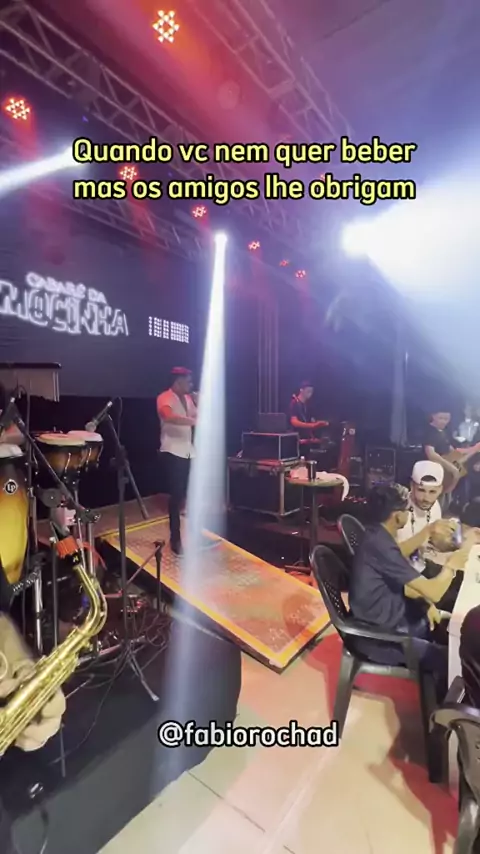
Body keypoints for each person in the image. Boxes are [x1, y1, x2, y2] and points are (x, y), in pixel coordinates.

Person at [349, 484, 476, 698]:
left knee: (451, 633)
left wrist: (425, 604)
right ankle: (442, 713)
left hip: (389, 618)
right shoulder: (380, 545)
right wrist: (452, 566)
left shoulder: (376, 535)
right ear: (397, 516)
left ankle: (439, 692)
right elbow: (434, 592)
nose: (409, 513)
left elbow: (398, 557)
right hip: (381, 638)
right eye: (407, 510)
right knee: (455, 661)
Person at [157, 368, 197, 555]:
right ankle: (175, 539)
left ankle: (195, 534)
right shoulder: (165, 397)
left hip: (189, 451)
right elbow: (168, 416)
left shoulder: (188, 399)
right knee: (177, 496)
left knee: (192, 494)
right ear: (178, 381)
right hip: (173, 451)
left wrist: (200, 402)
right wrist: (193, 421)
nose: (191, 385)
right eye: (188, 382)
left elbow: (198, 416)